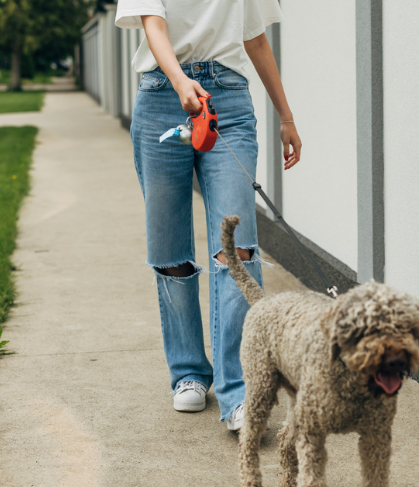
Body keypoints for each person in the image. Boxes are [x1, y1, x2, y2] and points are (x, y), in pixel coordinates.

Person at [115, 0, 301, 430]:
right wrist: (180, 81)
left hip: (229, 101)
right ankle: (188, 373)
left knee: (237, 250)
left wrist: (286, 116)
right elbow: (153, 26)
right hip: (162, 97)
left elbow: (254, 38)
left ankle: (239, 393)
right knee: (169, 251)